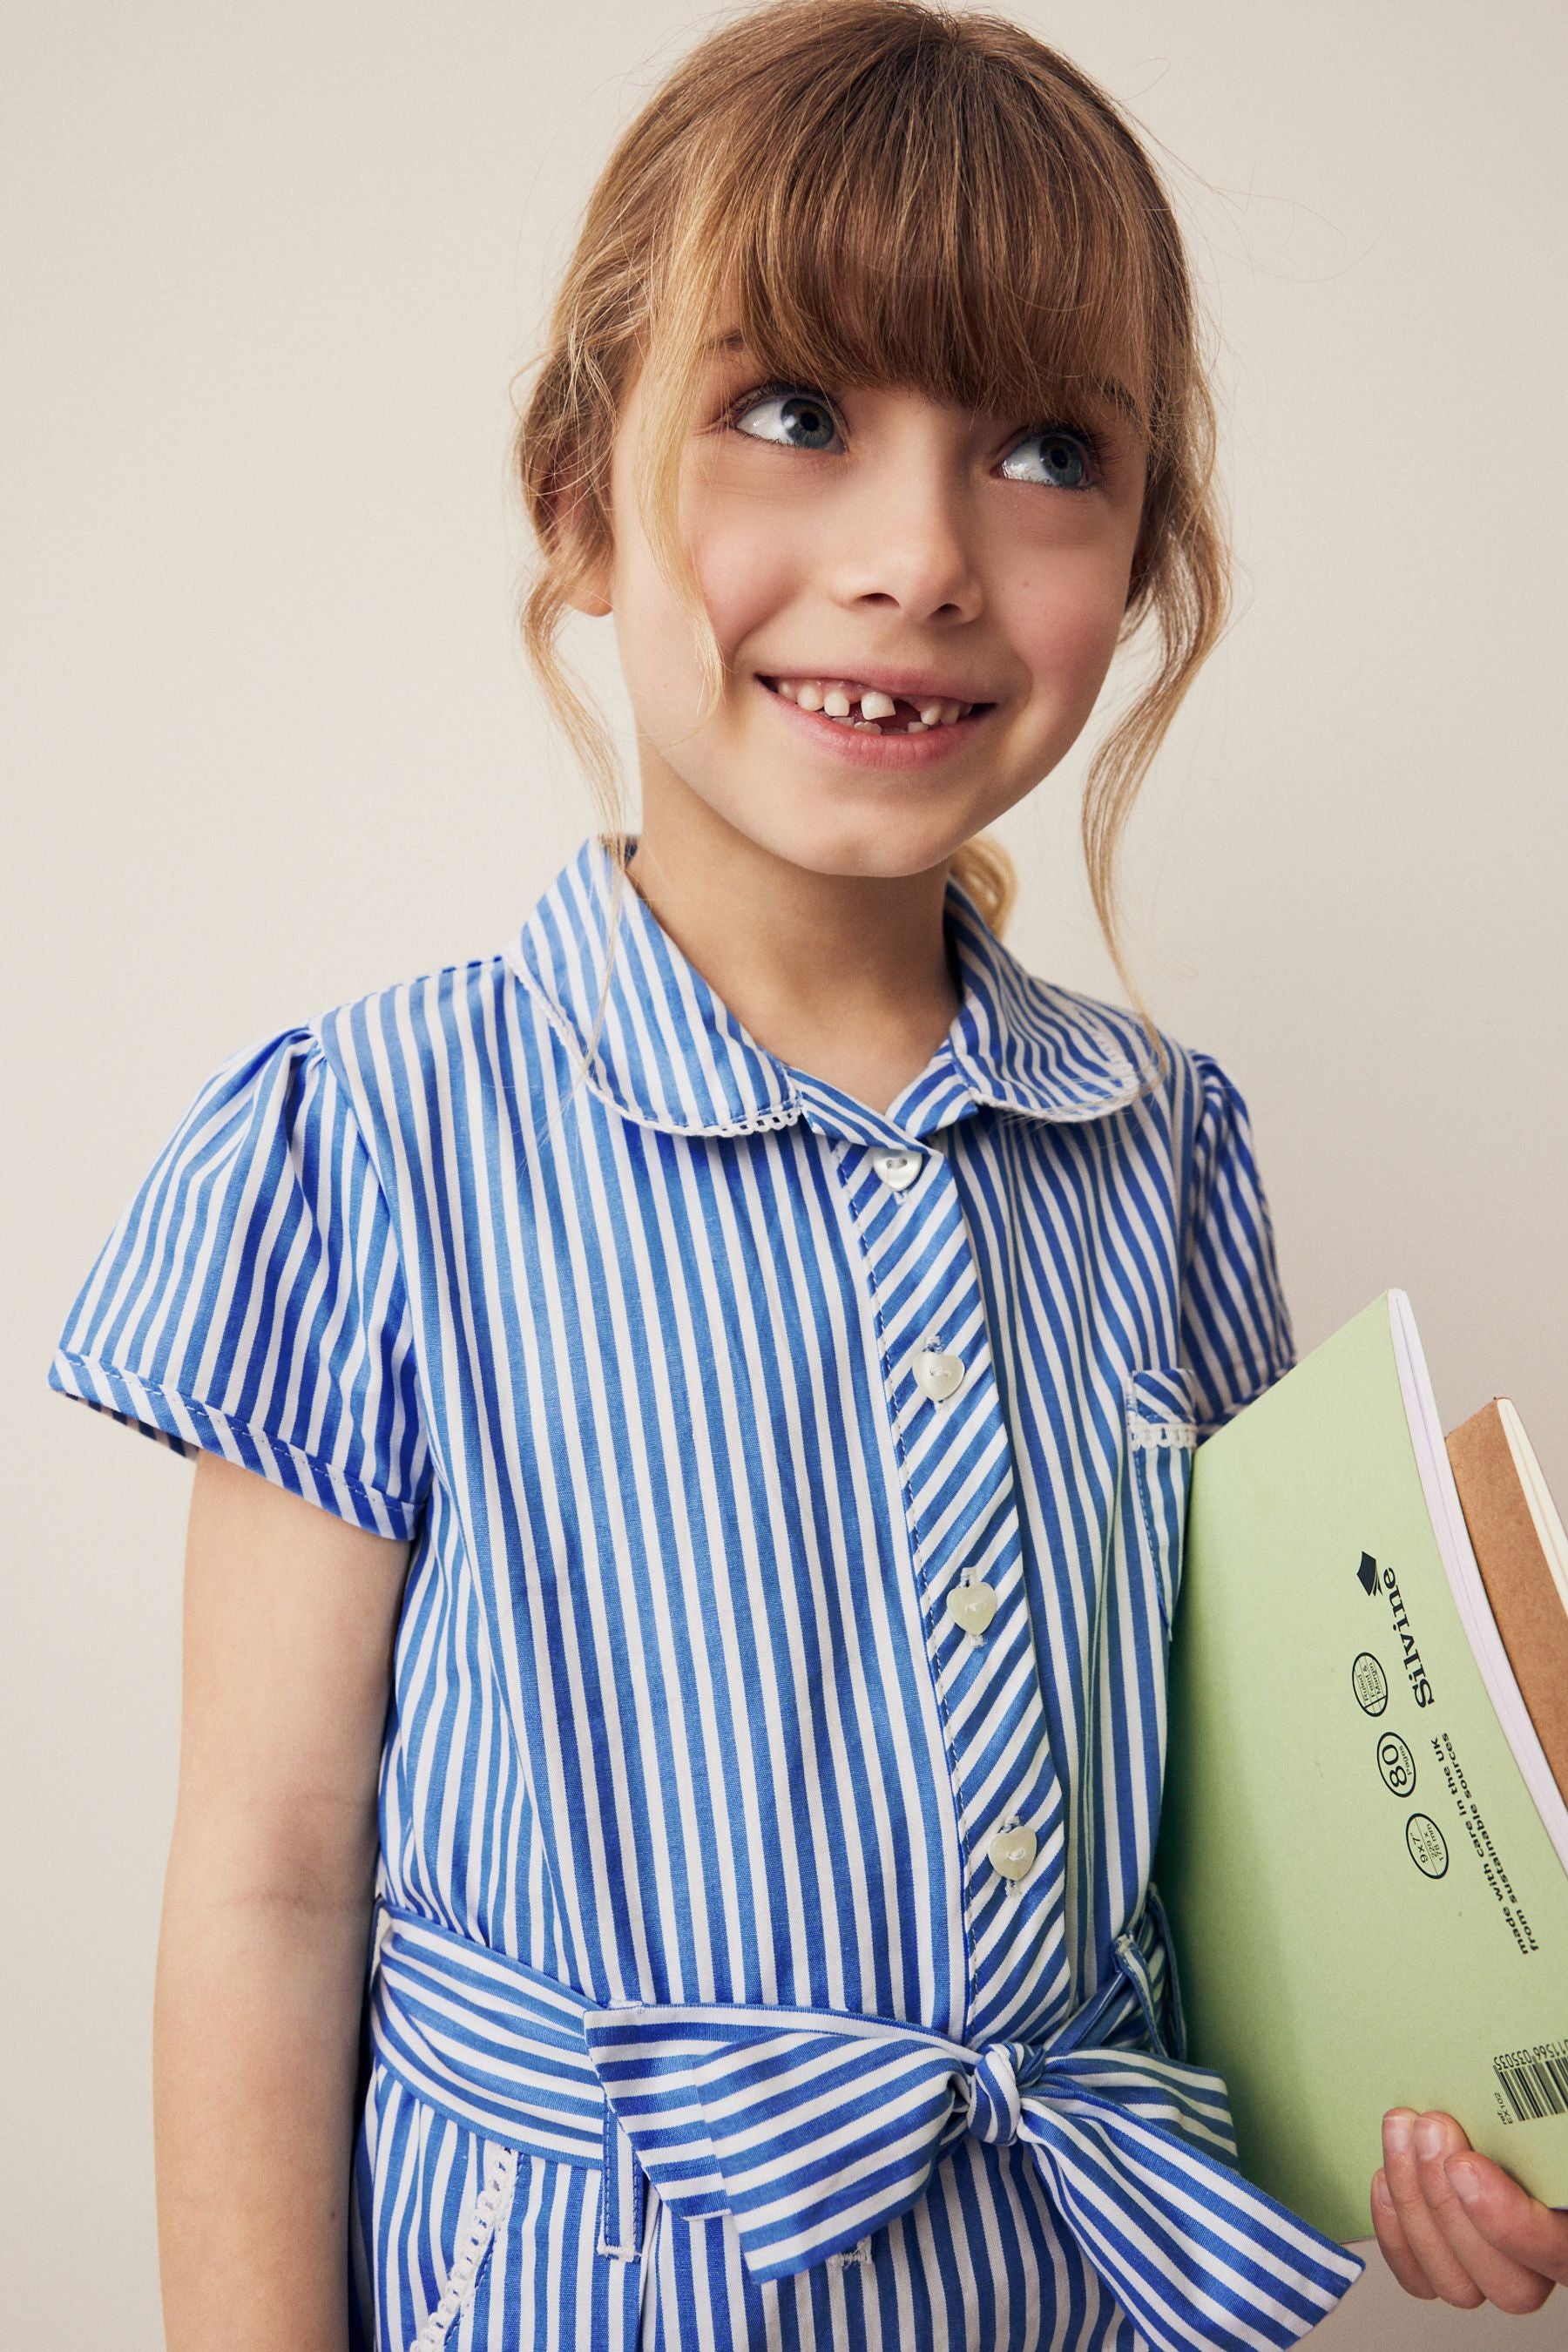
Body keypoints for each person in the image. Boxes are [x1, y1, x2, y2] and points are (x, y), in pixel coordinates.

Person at [46, 3, 1568, 2346]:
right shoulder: (367, 1150)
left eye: (1046, 448)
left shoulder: (1164, 1155)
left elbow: (1249, 1868)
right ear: (576, 490)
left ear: (1146, 550)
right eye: (796, 415)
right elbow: (261, 1887)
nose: (918, 556)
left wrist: (1420, 2129)